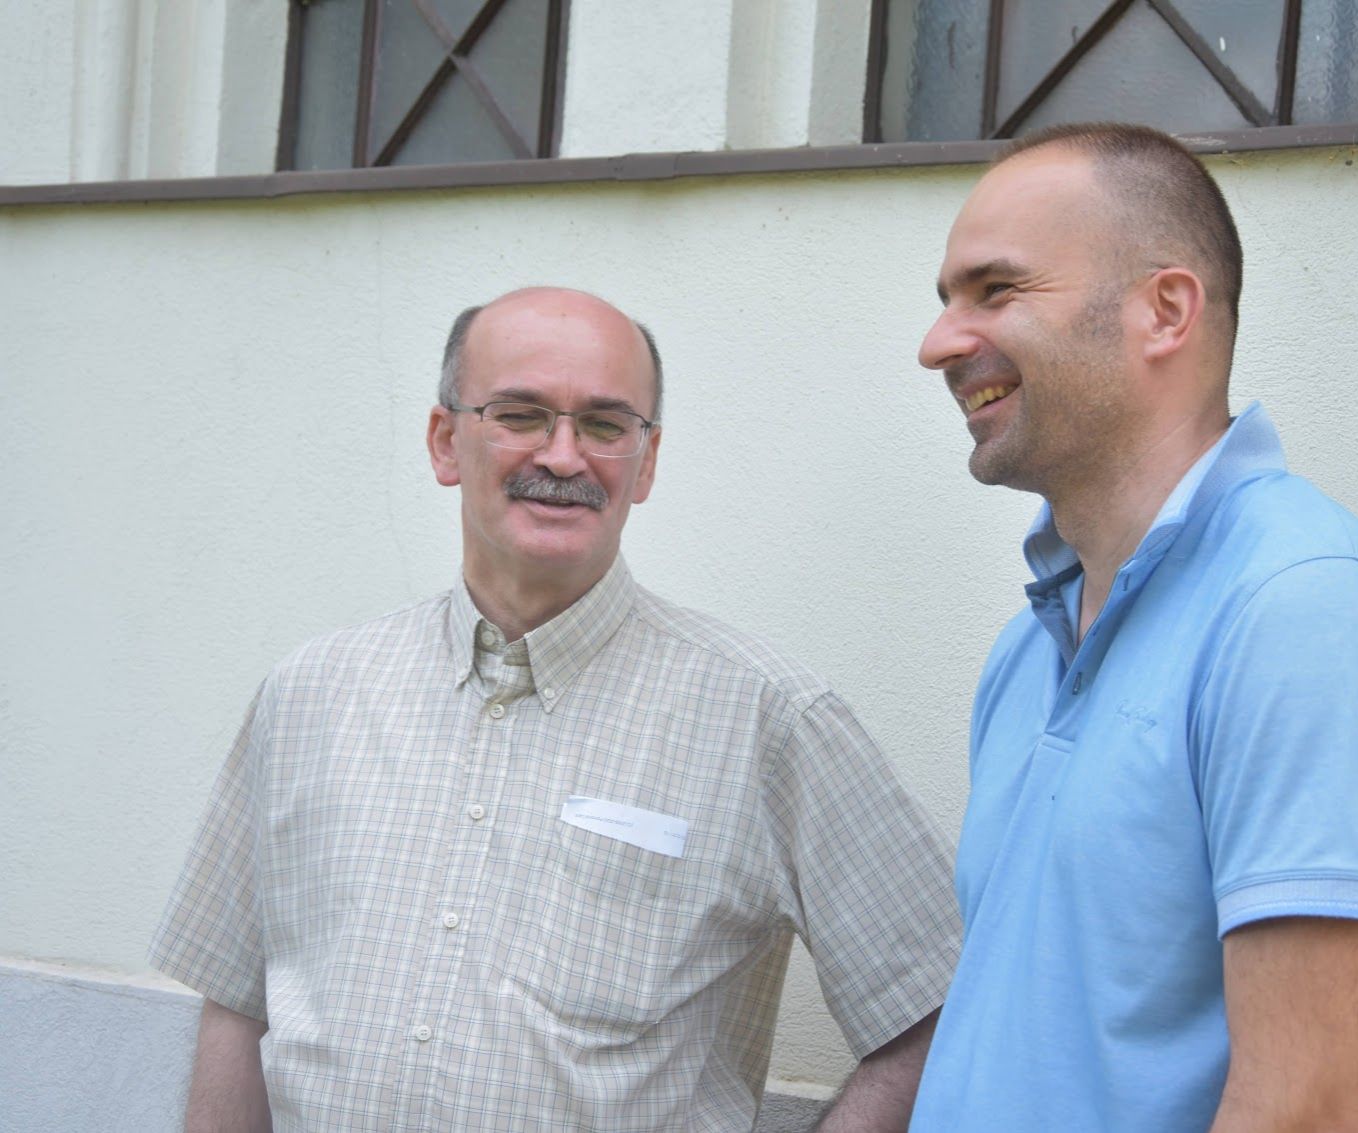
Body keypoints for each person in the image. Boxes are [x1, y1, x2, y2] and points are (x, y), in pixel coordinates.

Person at [151, 287, 960, 1132]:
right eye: (520, 415)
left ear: (646, 462)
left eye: (605, 424)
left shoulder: (769, 719)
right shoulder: (308, 695)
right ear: (444, 441)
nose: (564, 456)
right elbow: (238, 1003)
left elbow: (936, 1009)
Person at [906, 124, 1358, 1132]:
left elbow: (1311, 1112)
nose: (938, 343)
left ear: (1164, 311)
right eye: (948, 298)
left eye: (995, 290)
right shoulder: (1030, 646)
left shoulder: (1303, 614)